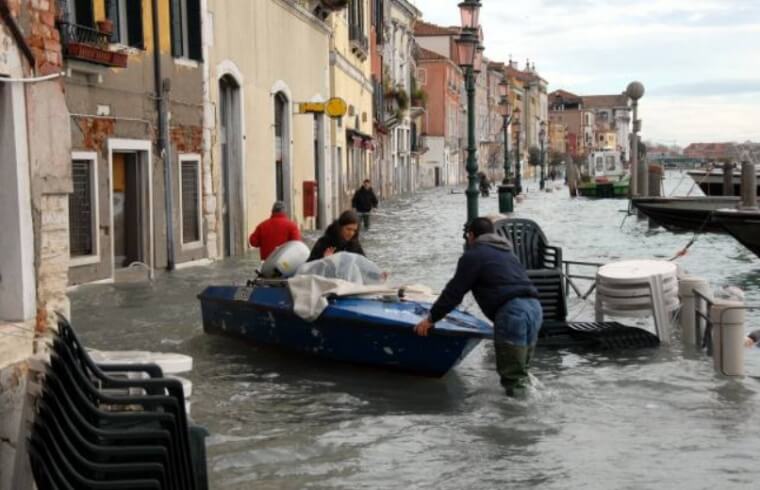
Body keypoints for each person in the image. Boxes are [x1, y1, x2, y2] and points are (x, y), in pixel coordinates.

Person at [414, 217, 543, 397]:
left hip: (512, 313)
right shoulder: (507, 253)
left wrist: (430, 319)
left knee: (514, 381)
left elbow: (454, 292)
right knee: (523, 375)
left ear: (471, 236)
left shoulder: (474, 255)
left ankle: (518, 422)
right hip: (535, 309)